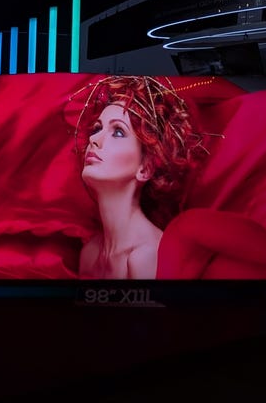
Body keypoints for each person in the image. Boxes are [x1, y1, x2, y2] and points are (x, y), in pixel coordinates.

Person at [73, 76, 206, 279]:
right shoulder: (90, 254)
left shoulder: (146, 257)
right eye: (97, 128)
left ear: (146, 167)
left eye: (118, 132)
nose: (94, 139)